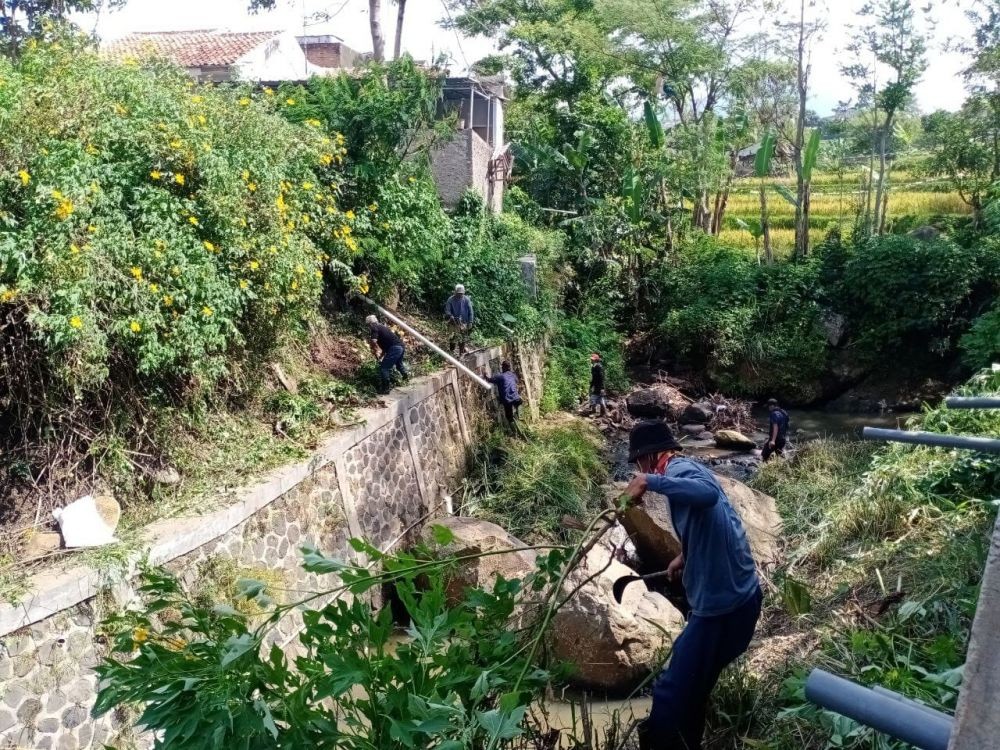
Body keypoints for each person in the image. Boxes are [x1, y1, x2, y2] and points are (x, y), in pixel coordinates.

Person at [623, 420, 762, 750]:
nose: (638, 470)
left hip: (722, 610)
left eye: (638, 465)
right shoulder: (687, 469)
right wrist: (684, 556)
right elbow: (715, 517)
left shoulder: (680, 469)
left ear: (647, 458)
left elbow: (709, 495)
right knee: (693, 689)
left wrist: (648, 481)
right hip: (741, 601)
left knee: (671, 691)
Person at [365, 314, 409, 392]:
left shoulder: (374, 328)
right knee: (399, 365)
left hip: (395, 348)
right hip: (401, 346)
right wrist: (381, 356)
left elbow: (373, 341)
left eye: (368, 325)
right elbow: (386, 347)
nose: (369, 327)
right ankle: (406, 380)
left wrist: (373, 347)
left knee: (384, 368)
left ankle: (386, 389)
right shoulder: (382, 327)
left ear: (370, 323)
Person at [444, 283, 475, 356]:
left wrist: (470, 322)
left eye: (461, 293)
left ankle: (461, 353)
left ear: (463, 293)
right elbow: (447, 310)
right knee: (452, 338)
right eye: (458, 293)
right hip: (453, 322)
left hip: (463, 322)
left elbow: (471, 311)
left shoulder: (466, 300)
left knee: (462, 338)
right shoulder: (450, 299)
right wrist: (450, 315)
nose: (460, 295)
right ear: (455, 292)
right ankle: (452, 352)